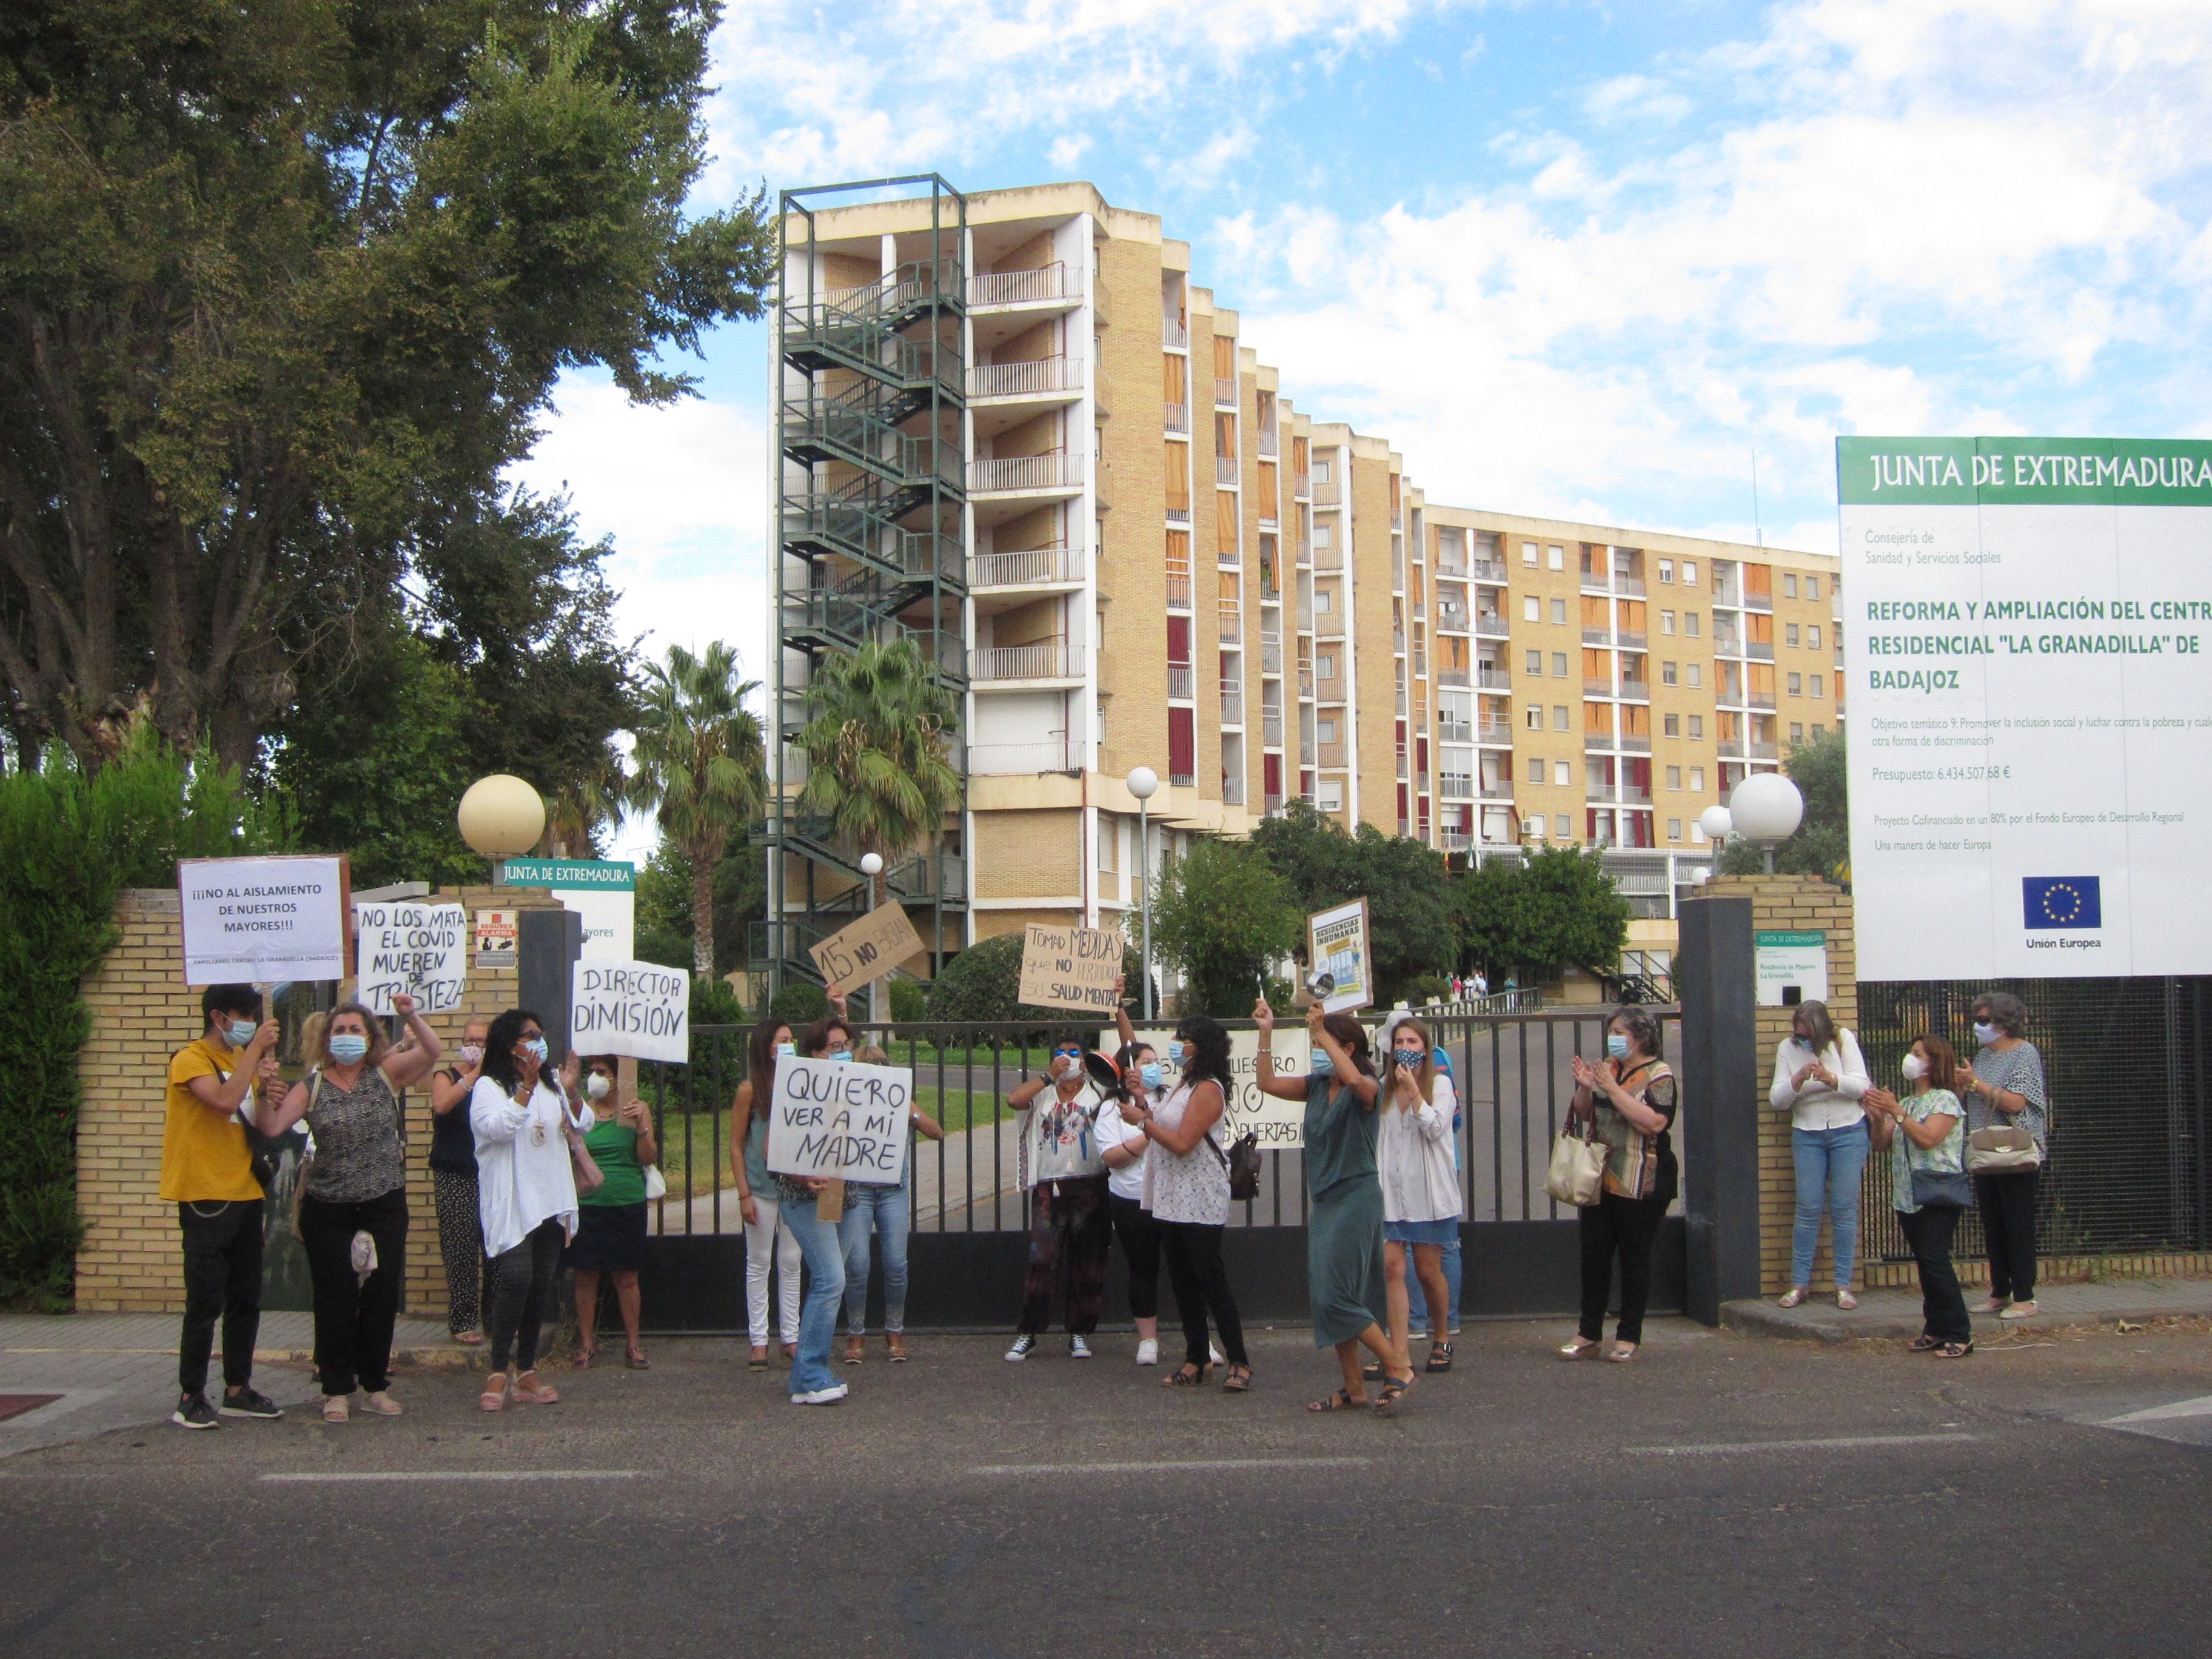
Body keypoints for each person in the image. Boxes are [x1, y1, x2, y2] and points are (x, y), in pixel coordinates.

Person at [260, 994, 442, 1421]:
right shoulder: (313, 1086)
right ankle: (336, 1389)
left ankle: (375, 1385)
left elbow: (432, 1052)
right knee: (335, 1297)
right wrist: (264, 1091)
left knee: (380, 1297)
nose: (346, 1037)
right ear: (327, 1039)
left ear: (370, 1037)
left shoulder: (385, 1075)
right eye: (339, 1031)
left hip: (384, 1203)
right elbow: (271, 1126)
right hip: (329, 1206)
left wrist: (410, 1014)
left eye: (354, 1030)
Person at [1255, 997, 1404, 1411]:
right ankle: (1354, 1387)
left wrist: (1322, 1029)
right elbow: (1266, 1083)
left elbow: (1357, 1084)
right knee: (1325, 1296)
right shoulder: (1317, 1087)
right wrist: (1266, 1032)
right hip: (1324, 1202)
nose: (1317, 1052)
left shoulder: (1368, 1088)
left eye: (1323, 1045)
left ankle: (1397, 1364)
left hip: (1356, 1198)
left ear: (1347, 1049)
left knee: (1339, 1295)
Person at [161, 985, 287, 1430]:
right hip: (205, 1193)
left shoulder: (243, 1062)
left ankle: (238, 1387)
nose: (252, 1022)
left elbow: (258, 1122)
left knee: (245, 1298)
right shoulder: (190, 1059)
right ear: (218, 1017)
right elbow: (223, 1101)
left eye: (255, 1015)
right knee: (205, 1300)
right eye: (244, 1015)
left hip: (245, 1191)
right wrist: (254, 1053)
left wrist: (272, 1091)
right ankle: (191, 1393)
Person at [1122, 1015, 1252, 1391]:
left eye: (1183, 1038)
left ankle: (1239, 1360)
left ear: (1202, 1046)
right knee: (1182, 1280)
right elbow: (1163, 1125)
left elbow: (1182, 1143)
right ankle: (1196, 1357)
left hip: (1198, 1196)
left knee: (1210, 1278)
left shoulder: (1208, 1089)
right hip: (1171, 1196)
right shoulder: (1183, 1084)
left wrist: (1143, 1123)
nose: (1176, 1044)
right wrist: (1143, 1104)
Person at [470, 1008, 586, 1412]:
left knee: (540, 1283)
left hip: (549, 1200)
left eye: (541, 1033)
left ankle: (526, 1369)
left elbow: (579, 1124)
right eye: (529, 1035)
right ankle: (498, 1369)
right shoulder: (488, 1086)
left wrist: (568, 1089)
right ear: (509, 1045)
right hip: (514, 1201)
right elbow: (498, 1129)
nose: (538, 1040)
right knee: (516, 1278)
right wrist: (526, 1090)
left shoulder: (550, 1086)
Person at [1562, 1007, 1678, 1363]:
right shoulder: (1608, 1068)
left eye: (1619, 1031)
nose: (1613, 1037)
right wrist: (1585, 1088)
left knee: (1634, 1257)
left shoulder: (1660, 1075)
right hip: (1602, 1175)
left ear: (1640, 1036)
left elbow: (1655, 1122)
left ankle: (1629, 1336)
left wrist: (1613, 1091)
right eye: (1611, 1030)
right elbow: (1585, 1113)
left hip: (1643, 1177)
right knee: (1594, 1256)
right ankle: (1588, 1332)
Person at [1004, 1033, 1114, 1361]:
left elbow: (1127, 1057)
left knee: (1087, 1262)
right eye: (1061, 1051)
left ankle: (1079, 1332)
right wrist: (1049, 1074)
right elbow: (1014, 1100)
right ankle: (1029, 1332)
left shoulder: (1099, 1094)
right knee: (1042, 1259)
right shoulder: (1044, 1093)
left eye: (1074, 1052)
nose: (1068, 1057)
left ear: (1085, 1059)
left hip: (1091, 1185)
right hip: (1050, 1188)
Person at [775, 997, 862, 1405]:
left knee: (830, 1281)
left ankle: (808, 1373)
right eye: (833, 1047)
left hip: (844, 1196)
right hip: (804, 1197)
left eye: (846, 1045)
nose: (841, 1052)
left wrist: (841, 1011)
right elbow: (771, 1150)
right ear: (813, 1054)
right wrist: (800, 1174)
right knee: (831, 1280)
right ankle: (810, 1374)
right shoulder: (794, 1092)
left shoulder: (857, 1090)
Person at [1864, 1037, 1972, 1358]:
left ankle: (1960, 1332)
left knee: (1936, 1260)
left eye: (1917, 1054)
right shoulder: (1909, 1103)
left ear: (1933, 1062)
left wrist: (1896, 1112)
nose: (1910, 1058)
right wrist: (1879, 1117)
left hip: (1937, 1192)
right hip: (1907, 1195)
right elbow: (1882, 1145)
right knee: (1925, 1263)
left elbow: (1929, 1138)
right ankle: (1935, 1327)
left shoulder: (1946, 1100)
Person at [838, 1042, 945, 1364]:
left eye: (883, 1065)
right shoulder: (848, 1104)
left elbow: (937, 1132)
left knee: (896, 1264)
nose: (878, 1072)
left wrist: (907, 1108)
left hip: (893, 1192)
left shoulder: (901, 1103)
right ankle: (856, 1333)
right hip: (858, 1192)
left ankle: (894, 1330)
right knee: (857, 1265)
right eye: (871, 1067)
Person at [1768, 999, 1871, 1309]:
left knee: (1843, 1207)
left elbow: (1861, 1086)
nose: (1802, 1041)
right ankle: (1799, 1285)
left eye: (1808, 1037)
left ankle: (1844, 1286)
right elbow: (1778, 1099)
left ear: (1822, 1031)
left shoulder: (1842, 1040)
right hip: (1808, 1132)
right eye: (1799, 1035)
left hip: (1848, 1130)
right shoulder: (1787, 1049)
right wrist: (1797, 1081)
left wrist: (1832, 1080)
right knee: (1808, 1207)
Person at [1377, 1013, 1461, 1375]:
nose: (1405, 1049)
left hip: (1427, 1194)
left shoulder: (1440, 1085)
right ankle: (1399, 1353)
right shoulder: (1382, 1087)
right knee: (1392, 1268)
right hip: (1390, 1194)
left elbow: (1436, 1128)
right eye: (1399, 1043)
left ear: (1426, 1049)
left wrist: (1413, 1090)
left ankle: (1441, 1335)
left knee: (1428, 1272)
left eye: (1413, 1042)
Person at [1956, 991, 2047, 1321]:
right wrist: (1963, 1085)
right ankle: (1999, 1291)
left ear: (2004, 1023)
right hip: (1986, 1150)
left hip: (2016, 1151)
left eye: (1983, 1020)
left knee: (2017, 1223)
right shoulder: (1982, 1056)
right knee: (1993, 1223)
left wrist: (1976, 1084)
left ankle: (2025, 1295)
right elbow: (1974, 1098)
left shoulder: (2024, 1053)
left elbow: (2017, 1103)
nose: (1977, 1027)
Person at [571, 1054, 658, 1369]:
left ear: (617, 1078)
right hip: (588, 1203)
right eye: (592, 1071)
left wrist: (642, 1124)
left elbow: (647, 1158)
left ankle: (634, 1345)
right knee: (585, 1275)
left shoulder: (634, 1109)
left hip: (626, 1201)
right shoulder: (582, 1112)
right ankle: (586, 1344)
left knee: (627, 1276)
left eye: (602, 1071)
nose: (595, 1076)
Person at [730, 1017, 805, 1373]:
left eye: (790, 1039)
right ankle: (758, 1340)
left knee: (791, 1262)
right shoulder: (750, 1090)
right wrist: (743, 1193)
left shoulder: (800, 1083)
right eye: (780, 1040)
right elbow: (736, 1143)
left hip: (793, 1189)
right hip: (761, 1188)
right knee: (759, 1263)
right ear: (765, 1046)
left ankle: (791, 1337)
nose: (786, 1045)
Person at [427, 1015, 494, 1345]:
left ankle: (495, 1320)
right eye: (470, 1039)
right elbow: (442, 1104)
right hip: (455, 1173)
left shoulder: (496, 1081)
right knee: (460, 1249)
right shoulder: (447, 1076)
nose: (474, 1046)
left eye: (481, 1041)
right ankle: (463, 1320)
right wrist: (472, 1076)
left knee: (495, 1249)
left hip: (491, 1175)